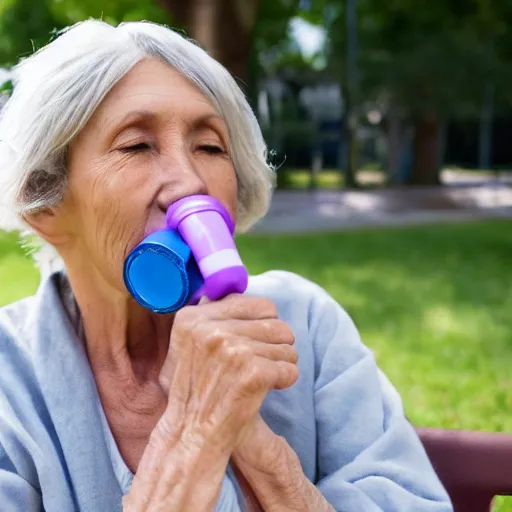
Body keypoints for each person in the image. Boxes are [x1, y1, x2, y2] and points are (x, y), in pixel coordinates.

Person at [0, 19, 452, 512]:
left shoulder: (302, 322)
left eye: (211, 147)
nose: (190, 182)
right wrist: (195, 432)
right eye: (136, 145)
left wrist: (251, 442)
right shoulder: (10, 378)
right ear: (45, 205)